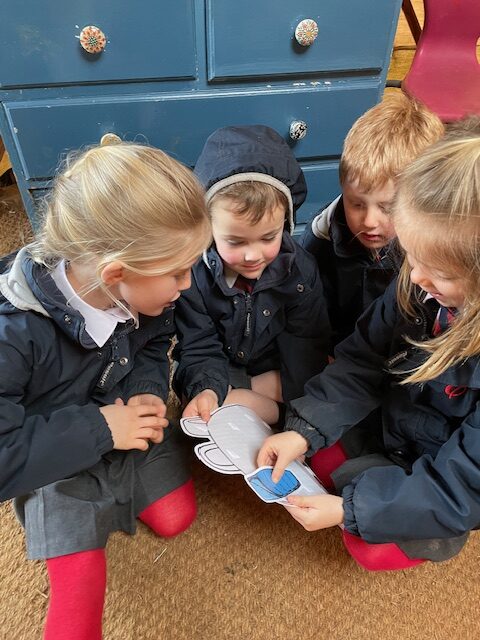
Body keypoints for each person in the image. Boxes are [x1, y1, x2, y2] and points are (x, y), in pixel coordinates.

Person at [0, 142, 211, 639]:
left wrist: (146, 391)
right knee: (77, 604)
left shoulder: (139, 293)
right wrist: (99, 429)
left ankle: (109, 495)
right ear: (117, 274)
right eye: (178, 272)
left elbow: (156, 343)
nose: (188, 283)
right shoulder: (12, 336)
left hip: (119, 421)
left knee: (177, 516)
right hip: (53, 450)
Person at [257, 122, 480, 571]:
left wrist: (350, 511)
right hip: (400, 428)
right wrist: (304, 428)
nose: (415, 277)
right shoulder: (418, 289)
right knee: (313, 447)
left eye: (436, 269)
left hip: (444, 466)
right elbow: (360, 358)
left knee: (369, 544)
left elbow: (464, 485)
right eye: (411, 257)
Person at [174, 125, 331, 425]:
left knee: (301, 388)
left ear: (286, 223)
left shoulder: (301, 272)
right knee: (199, 402)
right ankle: (242, 398)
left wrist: (295, 398)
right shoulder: (194, 276)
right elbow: (198, 345)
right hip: (220, 368)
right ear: (208, 229)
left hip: (277, 371)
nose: (252, 255)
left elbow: (307, 343)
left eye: (268, 238)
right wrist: (210, 388)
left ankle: (259, 404)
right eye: (235, 242)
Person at [299, 92, 444, 347]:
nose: (368, 221)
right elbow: (308, 312)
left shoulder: (434, 252)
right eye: (356, 203)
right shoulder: (320, 237)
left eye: (387, 208)